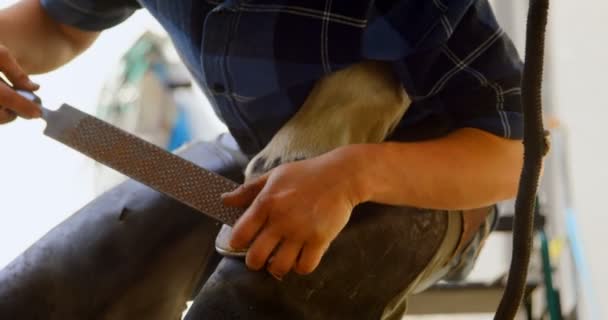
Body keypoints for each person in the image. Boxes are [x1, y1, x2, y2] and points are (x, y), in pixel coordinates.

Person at [0, 0, 524, 319]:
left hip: (422, 171)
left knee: (246, 307)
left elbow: (515, 153)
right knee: (43, 293)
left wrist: (350, 178)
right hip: (266, 152)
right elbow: (60, 25)